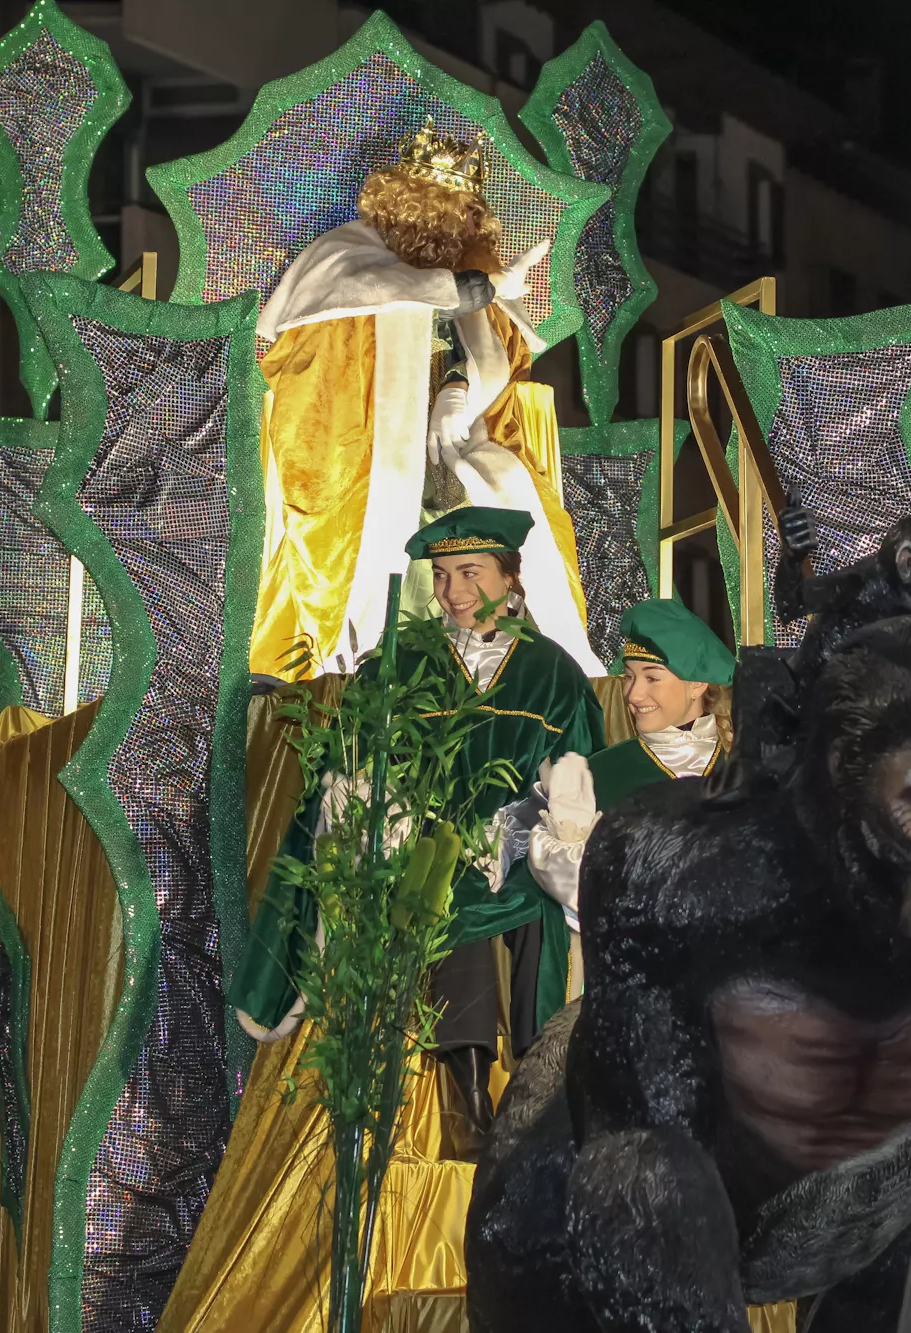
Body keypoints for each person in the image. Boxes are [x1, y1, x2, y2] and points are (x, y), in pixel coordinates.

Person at [233, 507, 604, 1140]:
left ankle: (537, 1083)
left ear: (511, 577)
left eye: (470, 572)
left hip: (518, 853)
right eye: (440, 576)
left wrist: (515, 832)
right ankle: (469, 1093)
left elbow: (576, 777)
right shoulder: (397, 666)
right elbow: (352, 767)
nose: (454, 593)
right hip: (421, 851)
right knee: (444, 904)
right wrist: (397, 814)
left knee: (532, 908)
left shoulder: (555, 673)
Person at [248, 119, 600, 681]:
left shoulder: (476, 278)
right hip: (367, 462)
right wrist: (467, 294)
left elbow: (503, 379)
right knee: (397, 557)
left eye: (467, 211)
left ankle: (504, 677)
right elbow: (318, 367)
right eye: (442, 205)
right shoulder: (343, 261)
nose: (456, 220)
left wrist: (461, 386)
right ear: (405, 203)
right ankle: (367, 676)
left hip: (459, 463)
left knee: (507, 520)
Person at [519, 598, 738, 944]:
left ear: (697, 684)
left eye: (652, 678)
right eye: (629, 676)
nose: (634, 694)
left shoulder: (749, 768)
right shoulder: (598, 774)